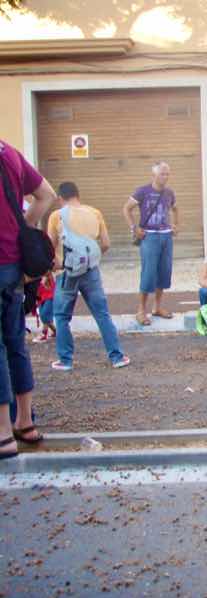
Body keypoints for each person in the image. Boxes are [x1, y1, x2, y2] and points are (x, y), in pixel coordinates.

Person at [0, 140, 55, 458]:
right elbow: (46, 194)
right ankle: (24, 422)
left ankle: (4, 434)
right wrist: (24, 225)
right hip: (13, 265)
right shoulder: (9, 153)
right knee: (15, 343)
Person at [48, 182, 130, 371]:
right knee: (102, 314)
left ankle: (65, 360)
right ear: (78, 195)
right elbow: (106, 243)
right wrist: (92, 259)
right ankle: (117, 357)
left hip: (66, 272)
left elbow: (49, 247)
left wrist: (51, 269)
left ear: (61, 198)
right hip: (90, 271)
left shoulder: (56, 216)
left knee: (61, 317)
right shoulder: (95, 213)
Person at [123, 161, 178, 326]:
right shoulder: (143, 191)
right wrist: (134, 228)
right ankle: (141, 310)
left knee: (164, 272)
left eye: (167, 173)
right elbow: (126, 208)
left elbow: (175, 209)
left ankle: (157, 307)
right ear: (154, 175)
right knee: (148, 273)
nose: (165, 177)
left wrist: (176, 225)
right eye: (162, 173)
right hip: (150, 237)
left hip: (166, 236)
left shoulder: (169, 193)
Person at [32, 272, 56, 344]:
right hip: (40, 297)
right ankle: (56, 332)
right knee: (44, 317)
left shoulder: (48, 273)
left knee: (45, 315)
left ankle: (44, 334)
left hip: (49, 295)